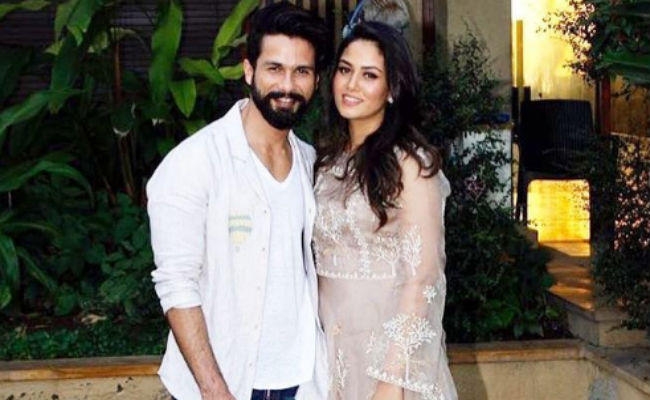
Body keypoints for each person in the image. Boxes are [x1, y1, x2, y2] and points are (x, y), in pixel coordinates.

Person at [147, 3, 330, 399]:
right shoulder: (193, 163)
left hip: (303, 380)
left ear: (316, 80)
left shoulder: (310, 162)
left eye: (301, 71)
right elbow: (177, 284)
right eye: (274, 68)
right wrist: (214, 389)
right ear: (249, 71)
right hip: (224, 382)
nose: (287, 85)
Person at [313, 21, 458, 400]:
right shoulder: (326, 161)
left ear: (392, 88)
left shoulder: (412, 164)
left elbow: (423, 276)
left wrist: (393, 379)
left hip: (389, 359)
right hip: (329, 354)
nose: (351, 85)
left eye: (369, 75)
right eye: (345, 70)